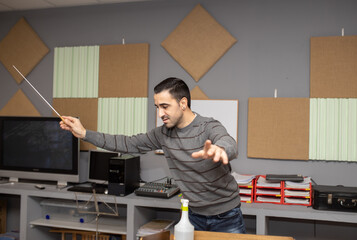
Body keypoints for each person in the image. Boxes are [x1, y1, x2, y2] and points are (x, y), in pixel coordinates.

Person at [60, 77, 246, 233]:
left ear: (183, 103)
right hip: (192, 215)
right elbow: (127, 143)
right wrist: (84, 133)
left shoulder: (208, 126)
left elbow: (228, 142)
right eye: (157, 107)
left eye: (164, 106)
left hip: (227, 215)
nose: (160, 114)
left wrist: (220, 149)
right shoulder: (162, 134)